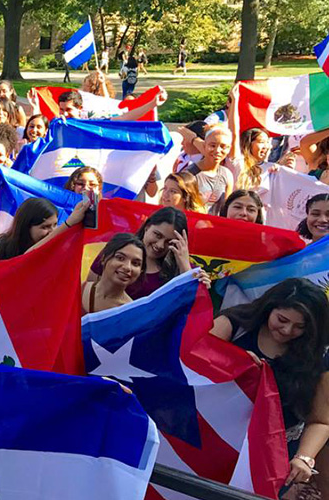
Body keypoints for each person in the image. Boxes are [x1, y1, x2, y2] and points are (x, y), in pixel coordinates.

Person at [210, 279, 329, 488]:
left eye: (300, 327)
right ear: (269, 307)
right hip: (212, 440)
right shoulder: (235, 324)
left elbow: (321, 420)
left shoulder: (319, 355)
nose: (287, 330)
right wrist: (230, 361)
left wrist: (304, 458)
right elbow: (190, 365)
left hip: (271, 456)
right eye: (282, 319)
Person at [89, 206, 193, 299]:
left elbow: (193, 303)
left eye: (169, 242)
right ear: (147, 227)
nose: (160, 245)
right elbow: (88, 292)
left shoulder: (183, 270)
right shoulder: (117, 249)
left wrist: (185, 266)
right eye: (157, 235)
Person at [0, 198, 59, 263]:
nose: (53, 231)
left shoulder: (57, 250)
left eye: (55, 225)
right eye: (45, 227)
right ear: (26, 227)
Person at [82, 233, 146, 314]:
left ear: (141, 271)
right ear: (103, 258)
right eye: (120, 258)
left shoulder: (130, 313)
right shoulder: (79, 290)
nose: (127, 267)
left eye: (135, 263)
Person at [186, 126, 234, 213]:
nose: (217, 150)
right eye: (212, 145)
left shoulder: (227, 174)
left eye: (223, 147)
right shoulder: (189, 174)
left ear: (229, 149)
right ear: (204, 145)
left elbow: (226, 209)